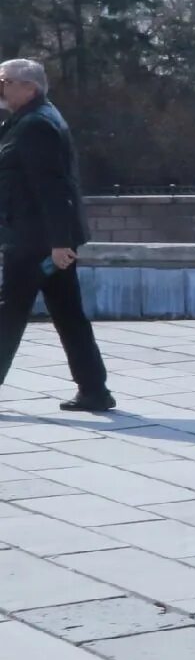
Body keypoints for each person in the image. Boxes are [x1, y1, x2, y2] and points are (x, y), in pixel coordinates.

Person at [0, 60, 112, 412]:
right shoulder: (28, 119)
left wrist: (60, 243)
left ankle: (95, 389)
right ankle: (95, 390)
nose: (0, 87)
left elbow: (53, 187)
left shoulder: (36, 125)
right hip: (42, 237)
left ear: (28, 87)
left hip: (36, 241)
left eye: (3, 81)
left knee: (9, 312)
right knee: (67, 312)